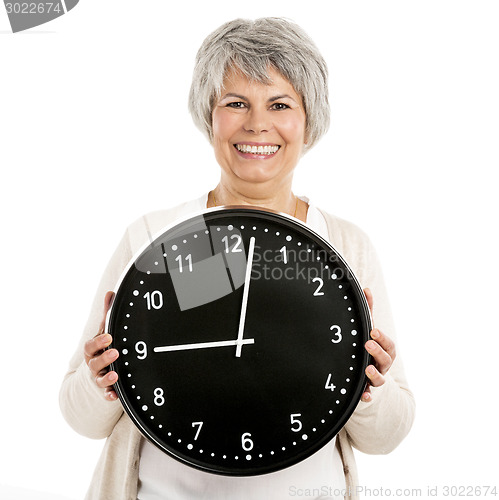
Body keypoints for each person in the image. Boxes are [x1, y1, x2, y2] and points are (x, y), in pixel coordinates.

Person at [60, 17, 415, 500]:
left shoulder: (346, 245)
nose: (256, 123)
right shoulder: (153, 238)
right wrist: (98, 378)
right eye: (235, 103)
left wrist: (366, 387)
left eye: (280, 104)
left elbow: (387, 436)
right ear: (209, 116)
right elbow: (81, 418)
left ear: (309, 121)